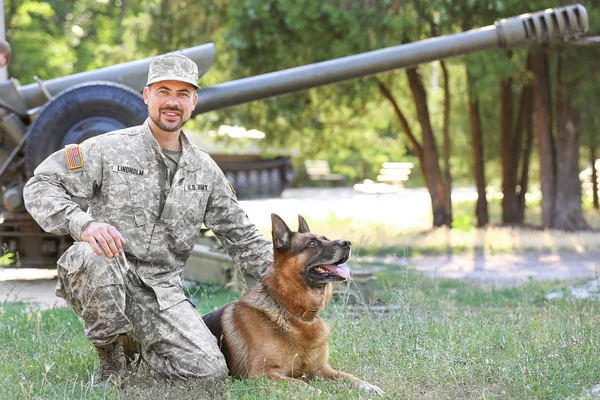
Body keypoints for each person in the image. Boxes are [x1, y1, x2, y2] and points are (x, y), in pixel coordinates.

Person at [23, 54, 273, 387]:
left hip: (162, 291)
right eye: (164, 91)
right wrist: (83, 225)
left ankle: (142, 350)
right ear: (146, 96)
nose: (173, 102)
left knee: (209, 373)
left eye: (183, 94)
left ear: (194, 102)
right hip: (108, 272)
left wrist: (293, 276)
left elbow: (241, 236)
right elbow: (41, 185)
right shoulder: (107, 149)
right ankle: (111, 359)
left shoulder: (204, 170)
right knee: (95, 254)